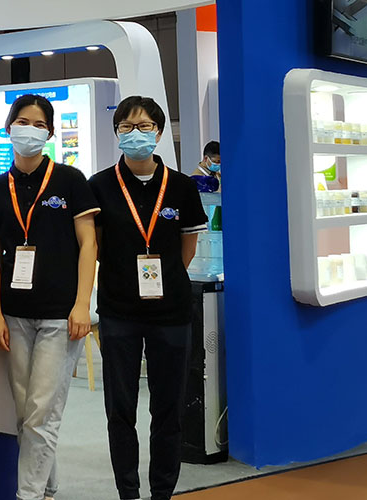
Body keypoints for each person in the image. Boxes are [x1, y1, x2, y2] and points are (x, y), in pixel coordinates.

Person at [89, 96, 208, 500]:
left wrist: (164, 275)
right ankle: (128, 491)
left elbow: (186, 248)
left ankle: (162, 492)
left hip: (171, 311)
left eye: (144, 126)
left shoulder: (182, 186)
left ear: (158, 133)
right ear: (116, 133)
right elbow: (97, 247)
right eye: (126, 127)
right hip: (118, 309)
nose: (135, 134)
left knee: (168, 408)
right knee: (120, 408)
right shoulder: (100, 185)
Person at [0, 94, 99, 500]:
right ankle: (48, 488)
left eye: (38, 124)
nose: (29, 130)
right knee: (24, 412)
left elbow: (89, 245)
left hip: (59, 315)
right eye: (22, 122)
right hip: (14, 315)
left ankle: (28, 495)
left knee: (41, 412)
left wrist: (82, 304)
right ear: (8, 128)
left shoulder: (70, 181)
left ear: (49, 133)